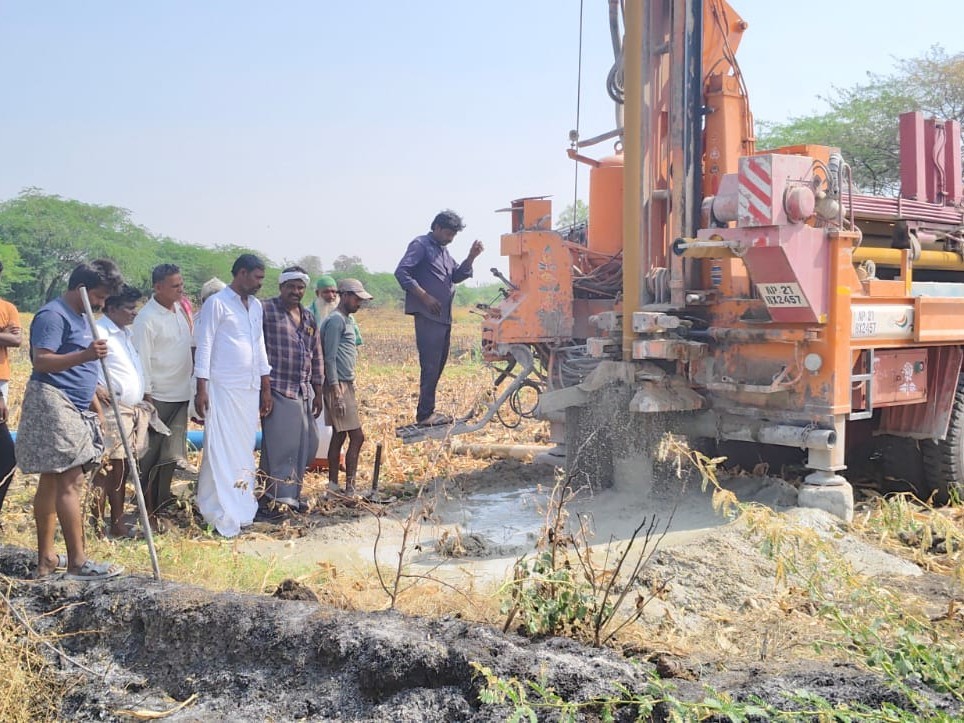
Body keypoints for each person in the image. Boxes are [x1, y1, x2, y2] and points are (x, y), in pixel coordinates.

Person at [16, 259, 125, 580]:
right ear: (81, 288)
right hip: (53, 400)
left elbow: (84, 372)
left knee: (52, 479)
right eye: (99, 296)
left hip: (77, 405)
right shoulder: (53, 315)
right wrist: (86, 354)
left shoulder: (83, 317)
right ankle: (77, 562)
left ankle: (47, 559)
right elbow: (42, 360)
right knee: (70, 478)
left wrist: (96, 409)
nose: (102, 303)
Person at [194, 253, 272, 537]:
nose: (260, 283)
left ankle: (240, 506)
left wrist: (266, 385)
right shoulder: (217, 303)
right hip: (222, 387)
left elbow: (259, 346)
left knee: (242, 449)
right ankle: (217, 509)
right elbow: (204, 345)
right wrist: (201, 387)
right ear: (241, 273)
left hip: (248, 389)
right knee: (219, 448)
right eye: (257, 277)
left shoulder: (256, 306)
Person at [394, 209, 483, 426]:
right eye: (448, 233)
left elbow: (456, 276)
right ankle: (425, 415)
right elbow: (402, 272)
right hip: (428, 316)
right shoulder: (421, 245)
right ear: (436, 227)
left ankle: (428, 411)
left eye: (454, 235)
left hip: (443, 318)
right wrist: (424, 296)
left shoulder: (443, 252)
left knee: (438, 366)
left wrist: (471, 257)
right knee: (430, 366)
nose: (450, 238)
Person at [132, 264, 194, 527]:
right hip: (159, 396)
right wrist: (148, 398)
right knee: (151, 457)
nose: (181, 290)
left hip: (181, 393)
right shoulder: (146, 319)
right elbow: (142, 360)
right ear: (158, 287)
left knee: (169, 455)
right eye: (175, 286)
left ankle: (161, 501)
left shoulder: (179, 310)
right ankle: (146, 508)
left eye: (181, 284)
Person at [258, 266, 323, 517]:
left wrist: (318, 389)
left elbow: (316, 354)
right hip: (277, 387)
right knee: (282, 446)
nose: (296, 292)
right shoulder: (266, 310)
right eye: (291, 287)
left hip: (302, 389)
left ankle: (291, 495)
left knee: (307, 445)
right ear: (281, 287)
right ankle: (277, 500)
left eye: (300, 288)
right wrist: (263, 389)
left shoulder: (308, 317)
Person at [93, 285, 149, 538]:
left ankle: (116, 522)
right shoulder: (99, 331)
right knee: (108, 469)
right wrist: (96, 388)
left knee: (123, 468)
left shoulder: (125, 333)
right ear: (112, 308)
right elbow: (87, 366)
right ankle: (101, 525)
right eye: (129, 308)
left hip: (130, 410)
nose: (134, 313)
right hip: (111, 410)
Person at [320, 278, 371, 496]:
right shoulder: (335, 321)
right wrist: (337, 393)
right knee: (357, 437)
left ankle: (333, 487)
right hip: (337, 385)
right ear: (346, 296)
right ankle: (349, 488)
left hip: (345, 383)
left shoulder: (347, 320)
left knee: (339, 436)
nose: (359, 303)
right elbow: (329, 358)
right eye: (357, 299)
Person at [0, 261, 21, 517]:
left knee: (7, 456)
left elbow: (16, 340)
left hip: (2, 382)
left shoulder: (8, 308)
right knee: (7, 454)